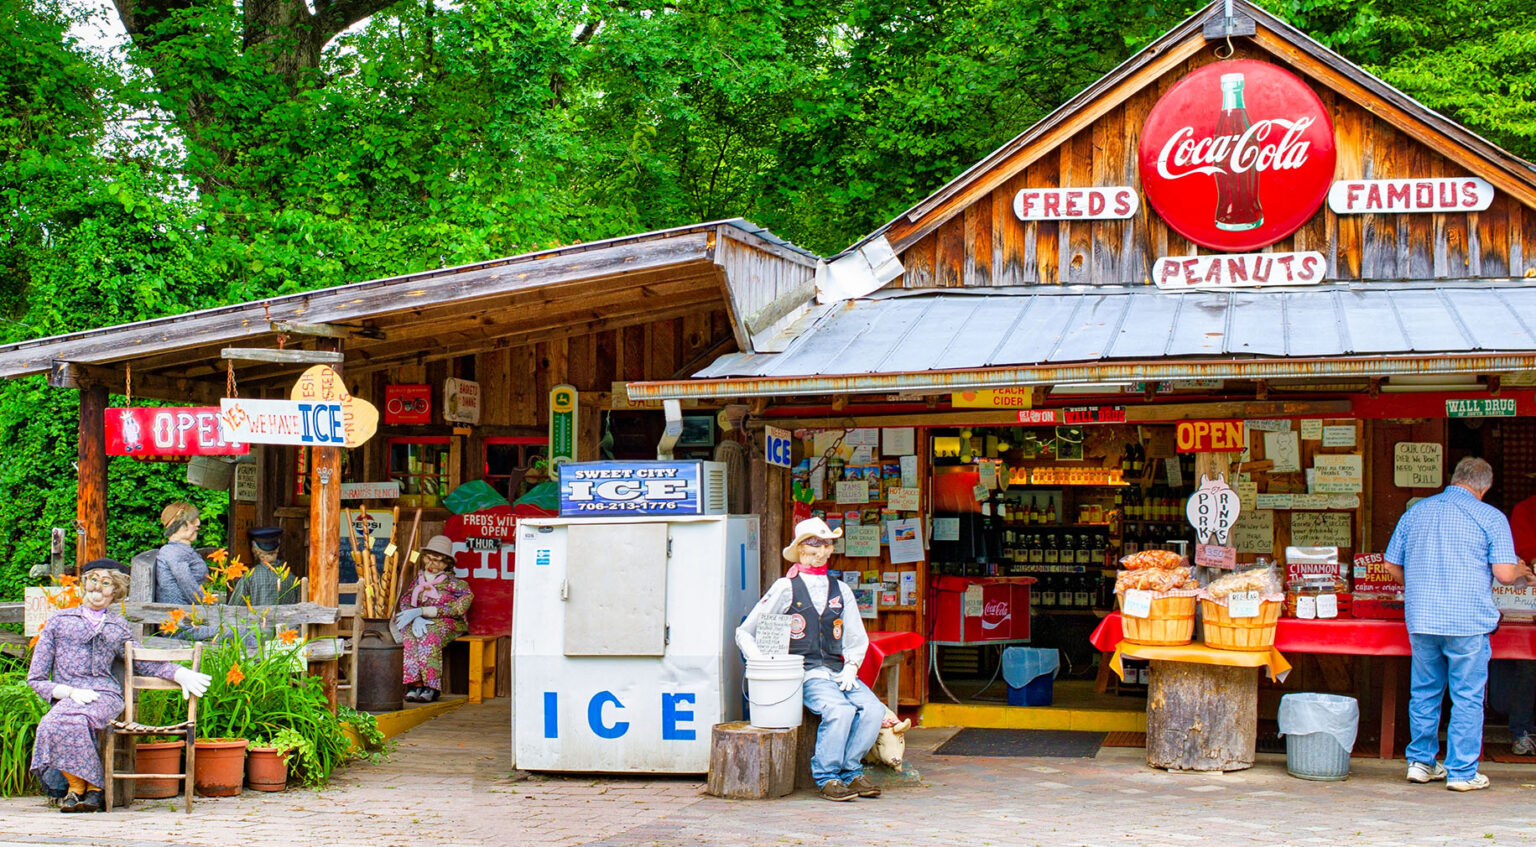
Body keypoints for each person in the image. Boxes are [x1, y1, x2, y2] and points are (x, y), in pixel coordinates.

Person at [1385, 457, 1534, 791]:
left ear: (1454, 479)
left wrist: (1420, 586)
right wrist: (1522, 571)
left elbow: (1391, 565)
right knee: (1467, 696)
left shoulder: (1417, 512)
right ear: (1484, 487)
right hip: (1467, 621)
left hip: (1422, 618)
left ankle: (1421, 763)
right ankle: (1462, 772)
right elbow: (1504, 573)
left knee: (1424, 691)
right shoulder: (1490, 516)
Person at [29, 559, 211, 813]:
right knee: (54, 722)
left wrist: (178, 672)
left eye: (106, 584)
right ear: (84, 584)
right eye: (94, 580)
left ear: (115, 592)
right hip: (70, 695)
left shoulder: (118, 626)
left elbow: (142, 662)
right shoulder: (58, 621)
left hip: (105, 695)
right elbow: (36, 677)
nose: (98, 588)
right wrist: (67, 691)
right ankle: (86, 789)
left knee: (75, 719)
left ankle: (80, 792)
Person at [736, 517, 885, 802]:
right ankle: (827, 775)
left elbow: (856, 635)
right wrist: (763, 664)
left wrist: (852, 667)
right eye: (814, 543)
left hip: (836, 670)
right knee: (839, 710)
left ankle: (851, 769)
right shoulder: (785, 587)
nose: (821, 549)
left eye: (827, 543)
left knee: (873, 710)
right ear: (801, 548)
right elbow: (746, 631)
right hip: (805, 672)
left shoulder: (841, 590)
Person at [394, 535, 473, 703]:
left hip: (449, 623)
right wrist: (414, 616)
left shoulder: (457, 585)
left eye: (438, 561)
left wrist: (425, 611)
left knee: (429, 635)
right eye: (428, 559)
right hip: (420, 620)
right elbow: (406, 600)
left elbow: (459, 608)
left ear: (447, 564)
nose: (432, 565)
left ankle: (431, 687)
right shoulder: (418, 581)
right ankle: (415, 684)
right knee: (408, 634)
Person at [1493, 493, 1536, 755]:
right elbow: (1522, 551)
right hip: (1524, 601)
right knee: (1526, 664)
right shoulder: (1525, 509)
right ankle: (1522, 731)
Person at [227, 526, 300, 607]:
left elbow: (234, 609)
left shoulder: (249, 577)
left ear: (255, 548)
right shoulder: (292, 578)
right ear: (277, 548)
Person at [154, 502, 207, 605]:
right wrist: (210, 606)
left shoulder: (180, 550)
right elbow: (187, 585)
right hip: (182, 615)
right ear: (179, 526)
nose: (198, 524)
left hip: (189, 611)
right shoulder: (173, 552)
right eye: (192, 522)